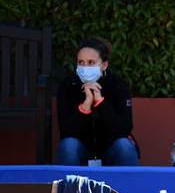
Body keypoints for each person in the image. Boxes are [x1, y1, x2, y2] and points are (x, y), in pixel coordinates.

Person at [55, 38, 139, 166]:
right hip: (82, 152)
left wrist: (100, 102)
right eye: (81, 62)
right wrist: (86, 106)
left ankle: (128, 186)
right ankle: (69, 186)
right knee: (68, 145)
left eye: (91, 62)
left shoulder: (118, 85)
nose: (85, 67)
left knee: (124, 146)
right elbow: (66, 132)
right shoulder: (68, 85)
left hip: (110, 153)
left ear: (104, 65)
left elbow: (123, 129)